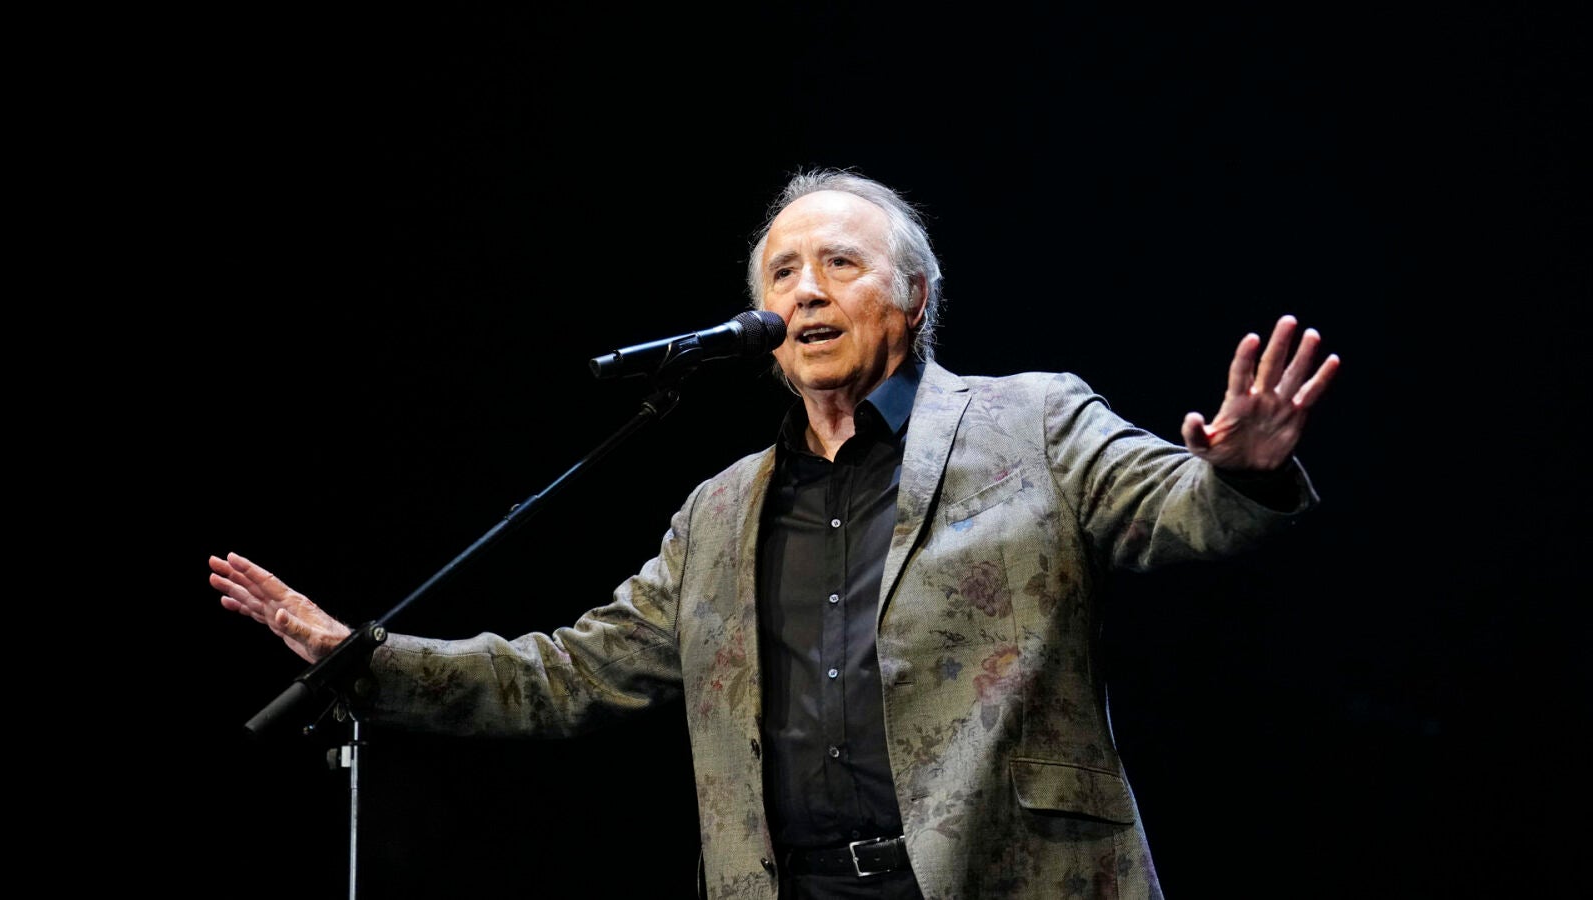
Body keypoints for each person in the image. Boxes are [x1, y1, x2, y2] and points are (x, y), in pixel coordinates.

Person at [211, 167, 1339, 899]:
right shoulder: (718, 512)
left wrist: (1238, 471)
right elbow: (569, 674)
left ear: (914, 300)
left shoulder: (1031, 422)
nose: (805, 291)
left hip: (1007, 879)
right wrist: (366, 660)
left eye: (839, 265)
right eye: (783, 272)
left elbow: (1175, 510)